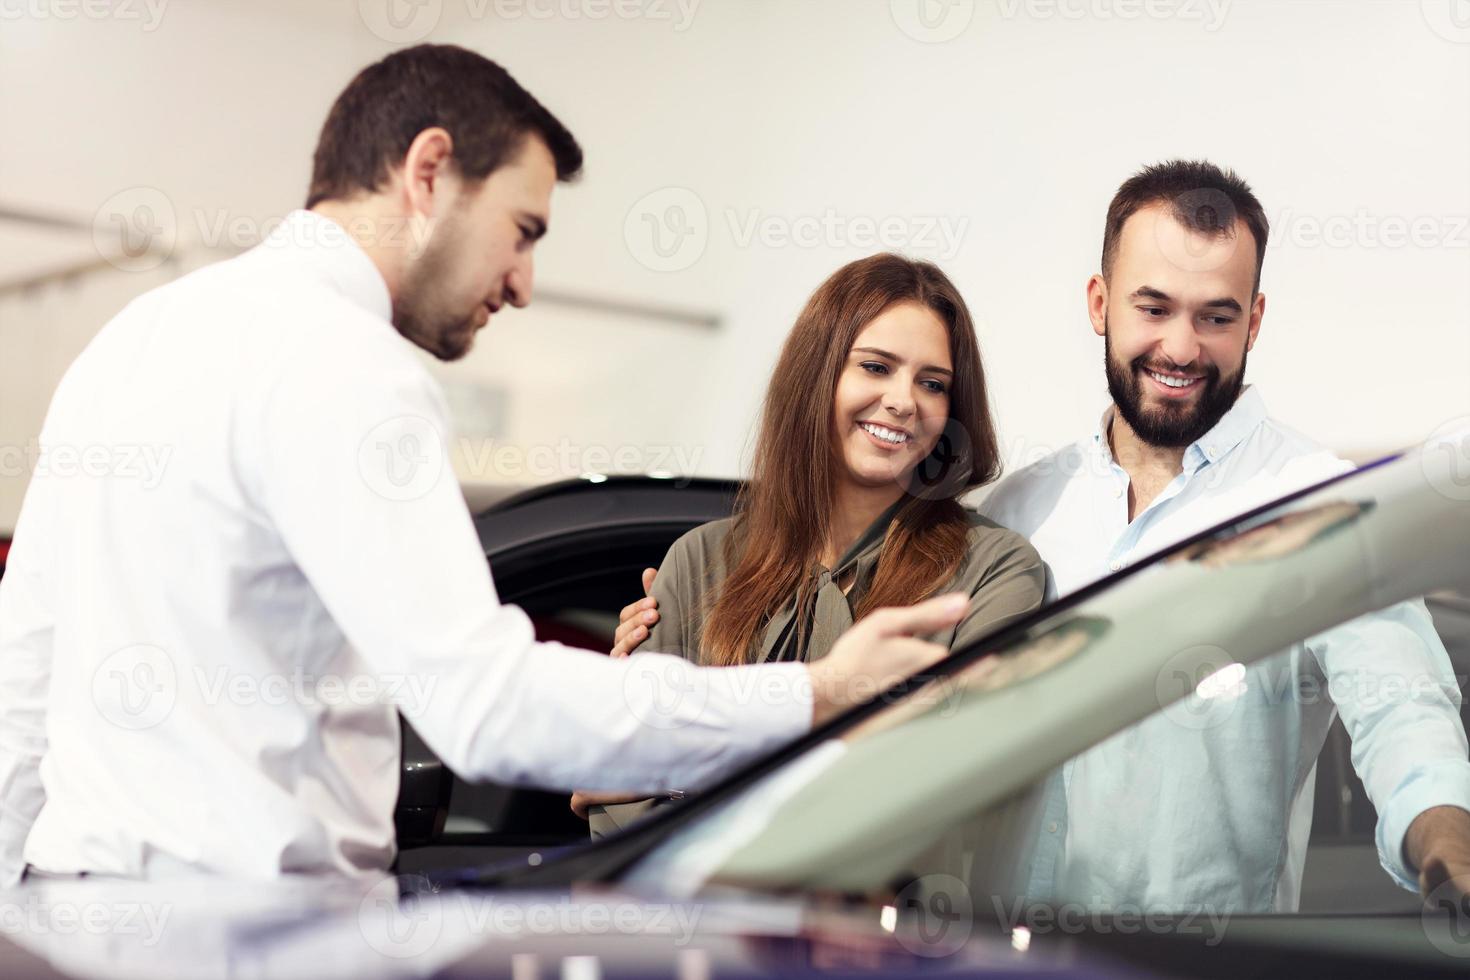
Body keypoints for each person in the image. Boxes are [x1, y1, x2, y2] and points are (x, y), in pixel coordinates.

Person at [0, 45, 966, 885]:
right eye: (523, 230)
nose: (523, 284)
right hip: (244, 929)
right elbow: (487, 706)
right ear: (430, 172)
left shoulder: (132, 339)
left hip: (70, 911)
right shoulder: (350, 364)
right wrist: (817, 691)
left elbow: (23, 675)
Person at [614, 160, 1470, 912]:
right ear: (1100, 304)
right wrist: (639, 697)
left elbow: (1403, 710)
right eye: (1153, 307)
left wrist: (1449, 846)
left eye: (1215, 315)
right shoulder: (1017, 512)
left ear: (1255, 320)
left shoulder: (1319, 507)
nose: (1181, 345)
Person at [573, 254, 1046, 834]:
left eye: (933, 383)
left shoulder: (993, 571)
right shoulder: (700, 560)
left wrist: (682, 772)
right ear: (817, 374)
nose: (904, 401)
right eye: (876, 367)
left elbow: (949, 787)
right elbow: (617, 804)